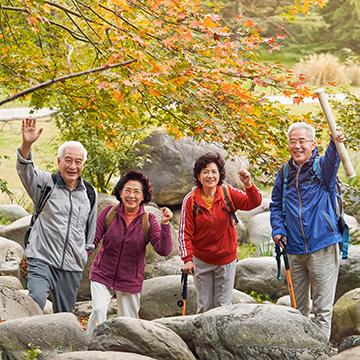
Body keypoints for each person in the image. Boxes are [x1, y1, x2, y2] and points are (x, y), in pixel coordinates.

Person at [270, 122, 345, 341]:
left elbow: (333, 159)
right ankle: (302, 349)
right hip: (293, 248)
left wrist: (334, 142)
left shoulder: (323, 169)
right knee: (297, 310)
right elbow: (276, 205)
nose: (297, 146)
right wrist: (278, 229)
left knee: (322, 310)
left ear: (312, 144)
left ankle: (320, 352)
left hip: (322, 244)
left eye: (302, 141)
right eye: (293, 141)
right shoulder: (284, 173)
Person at [16, 118, 97, 313]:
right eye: (68, 160)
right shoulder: (46, 183)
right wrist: (27, 145)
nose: (72, 166)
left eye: (78, 162)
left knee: (65, 315)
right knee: (35, 300)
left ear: (83, 165)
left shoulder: (89, 192)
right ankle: (25, 341)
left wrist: (83, 253)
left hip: (72, 266)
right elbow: (25, 171)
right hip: (42, 257)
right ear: (58, 161)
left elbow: (90, 230)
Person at [87, 170, 173, 336]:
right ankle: (91, 346)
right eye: (127, 190)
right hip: (102, 273)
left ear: (143, 196)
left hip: (129, 279)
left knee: (129, 323)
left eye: (136, 192)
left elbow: (164, 250)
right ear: (120, 192)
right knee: (98, 310)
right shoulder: (108, 213)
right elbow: (93, 241)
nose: (131, 195)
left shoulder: (148, 220)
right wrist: (78, 259)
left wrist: (165, 225)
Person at [178, 152, 262, 313]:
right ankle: (202, 338)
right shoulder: (191, 200)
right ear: (198, 175)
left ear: (220, 174)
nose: (210, 176)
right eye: (205, 172)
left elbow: (254, 202)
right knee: (205, 307)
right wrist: (187, 259)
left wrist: (248, 184)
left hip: (226, 259)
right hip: (201, 260)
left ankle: (219, 339)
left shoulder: (227, 193)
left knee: (223, 308)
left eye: (214, 171)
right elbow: (184, 232)